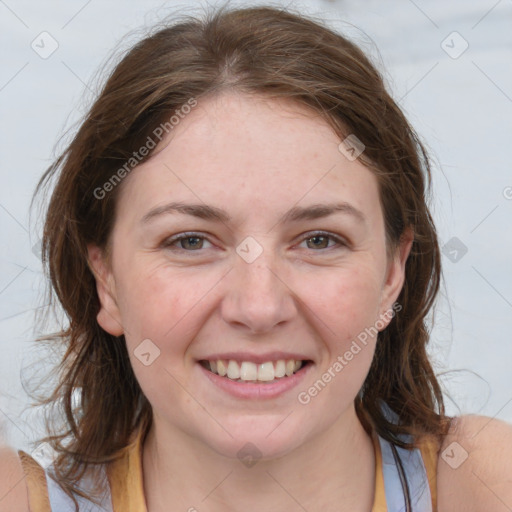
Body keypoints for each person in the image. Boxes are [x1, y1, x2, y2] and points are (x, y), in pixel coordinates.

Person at [1, 4, 511, 512]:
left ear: (391, 275)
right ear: (106, 281)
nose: (259, 307)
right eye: (190, 242)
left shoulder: (483, 482)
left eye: (318, 241)